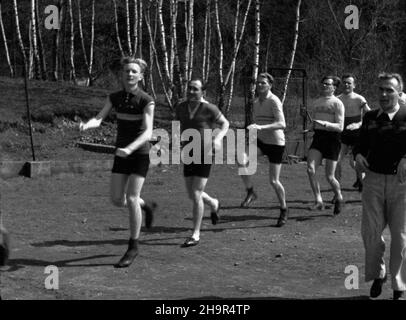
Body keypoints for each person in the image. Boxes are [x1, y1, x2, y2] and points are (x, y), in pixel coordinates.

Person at [79, 57, 156, 268]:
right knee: (116, 199)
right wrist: (88, 125)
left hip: (138, 153)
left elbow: (148, 132)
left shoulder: (146, 100)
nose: (129, 74)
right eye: (126, 71)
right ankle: (146, 206)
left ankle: (133, 246)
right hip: (120, 154)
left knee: (131, 197)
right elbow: (99, 118)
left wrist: (130, 148)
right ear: (122, 75)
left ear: (140, 76)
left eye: (134, 71)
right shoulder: (114, 97)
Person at [354, 72, 406, 300]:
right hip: (373, 181)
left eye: (389, 90)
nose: (384, 94)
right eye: (381, 90)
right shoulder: (371, 117)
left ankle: (399, 285)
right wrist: (356, 156)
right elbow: (360, 144)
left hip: (401, 184)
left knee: (400, 236)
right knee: (371, 234)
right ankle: (379, 273)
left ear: (399, 92)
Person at [175, 78, 229, 247]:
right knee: (191, 194)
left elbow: (225, 123)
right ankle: (214, 203)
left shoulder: (209, 108)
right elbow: (179, 125)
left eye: (195, 89)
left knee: (196, 194)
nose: (191, 91)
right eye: (189, 88)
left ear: (202, 92)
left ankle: (195, 234)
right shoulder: (181, 107)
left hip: (205, 153)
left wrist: (218, 138)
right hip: (188, 152)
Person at [239, 73, 288, 227]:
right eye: (258, 83)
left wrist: (260, 127)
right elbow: (258, 122)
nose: (260, 85)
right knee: (241, 160)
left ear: (270, 85)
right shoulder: (255, 102)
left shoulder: (274, 101)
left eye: (263, 83)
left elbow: (282, 124)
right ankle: (251, 192)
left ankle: (284, 209)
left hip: (275, 143)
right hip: (261, 141)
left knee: (274, 181)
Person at [306, 75, 345, 215]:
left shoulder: (337, 103)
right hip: (318, 138)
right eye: (323, 83)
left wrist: (326, 124)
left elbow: (340, 127)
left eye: (328, 84)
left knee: (330, 176)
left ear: (334, 87)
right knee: (310, 169)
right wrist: (311, 128)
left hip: (333, 140)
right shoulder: (316, 102)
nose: (324, 86)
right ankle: (318, 201)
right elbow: (315, 122)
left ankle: (339, 197)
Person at [336, 74, 370, 193]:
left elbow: (369, 115)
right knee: (337, 161)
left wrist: (359, 124)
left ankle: (363, 182)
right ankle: (337, 191)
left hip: (357, 136)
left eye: (349, 83)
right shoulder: (337, 99)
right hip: (342, 136)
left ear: (354, 85)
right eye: (344, 82)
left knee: (354, 163)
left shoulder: (359, 99)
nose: (346, 84)